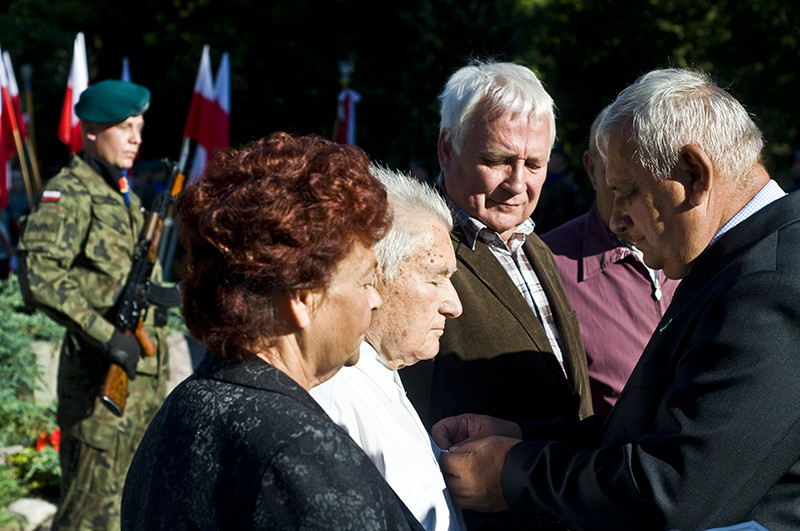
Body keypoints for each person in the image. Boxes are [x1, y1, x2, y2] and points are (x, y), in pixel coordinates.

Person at [432, 68, 800, 530]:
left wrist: (513, 473)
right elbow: (652, 434)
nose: (617, 221)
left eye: (627, 192)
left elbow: (673, 489)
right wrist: (522, 438)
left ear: (694, 174)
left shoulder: (771, 284)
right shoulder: (743, 262)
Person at [121, 133, 424, 530]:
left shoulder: (184, 405)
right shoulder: (300, 453)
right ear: (302, 298)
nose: (376, 300)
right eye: (366, 281)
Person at [400, 60, 592, 429]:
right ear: (446, 149)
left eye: (534, 165)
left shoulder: (535, 247)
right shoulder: (414, 254)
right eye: (498, 161)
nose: (518, 183)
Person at [16, 80, 173, 530]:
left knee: (134, 513)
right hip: (98, 393)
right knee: (89, 518)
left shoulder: (124, 198)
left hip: (139, 393)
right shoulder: (70, 194)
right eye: (124, 127)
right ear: (91, 131)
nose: (136, 138)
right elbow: (40, 274)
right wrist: (107, 335)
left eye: (139, 127)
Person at [311, 165, 464, 531]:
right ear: (374, 274)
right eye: (435, 278)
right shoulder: (333, 394)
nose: (454, 305)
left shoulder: (381, 374)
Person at [540, 107, 679, 416]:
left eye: (648, 177)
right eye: (619, 182)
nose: (632, 203)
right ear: (592, 169)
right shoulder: (546, 266)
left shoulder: (706, 253)